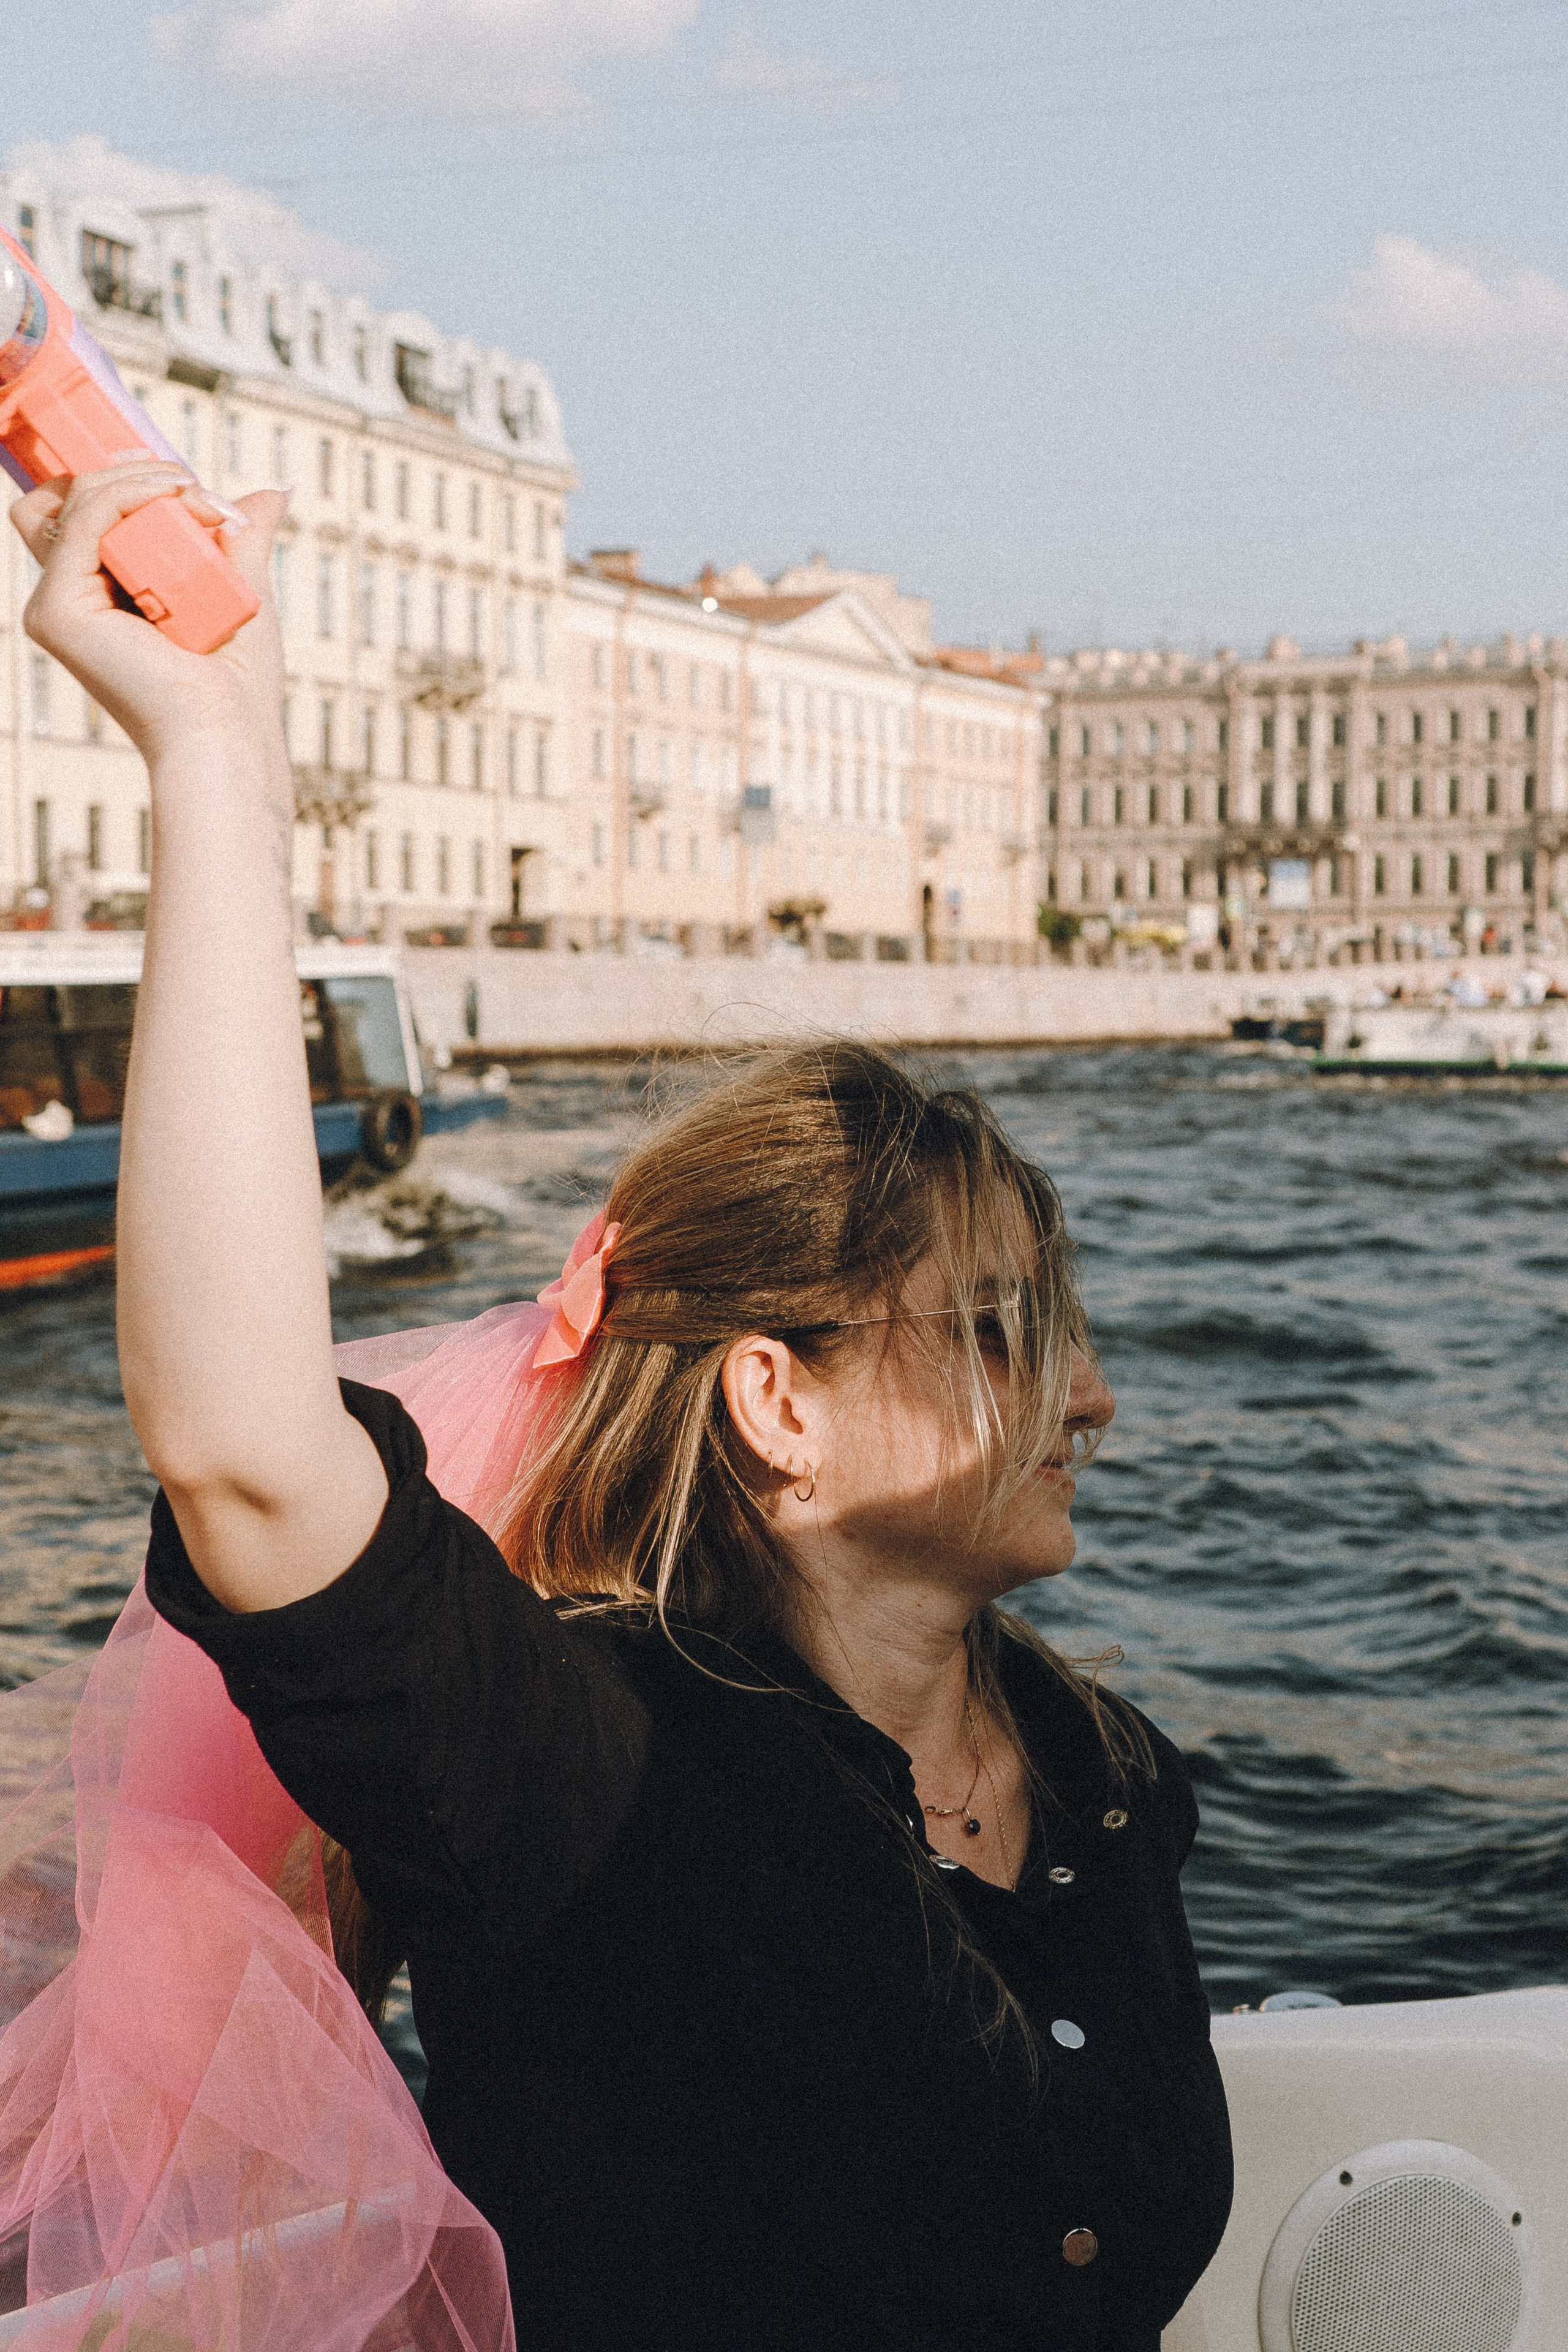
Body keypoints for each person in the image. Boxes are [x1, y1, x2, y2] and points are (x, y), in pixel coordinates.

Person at [14, 463, 1232, 2352]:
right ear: (778, 1403)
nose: (1090, 1397)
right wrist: (209, 759)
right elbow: (249, 1448)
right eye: (1003, 1333)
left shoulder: (1106, 1778)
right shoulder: (589, 1772)